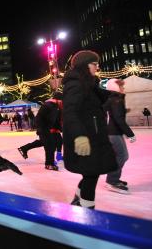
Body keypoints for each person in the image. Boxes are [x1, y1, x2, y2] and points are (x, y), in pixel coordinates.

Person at [62, 50, 117, 209]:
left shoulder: (88, 83)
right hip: (86, 137)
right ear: (84, 65)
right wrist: (80, 136)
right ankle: (87, 211)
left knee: (91, 173)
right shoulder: (76, 84)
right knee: (92, 173)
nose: (97, 66)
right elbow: (70, 112)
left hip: (94, 136)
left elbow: (95, 101)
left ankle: (78, 201)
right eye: (94, 63)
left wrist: (113, 93)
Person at [103, 79, 136, 194]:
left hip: (113, 132)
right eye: (121, 86)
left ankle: (113, 179)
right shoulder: (116, 99)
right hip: (113, 133)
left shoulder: (113, 99)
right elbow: (118, 119)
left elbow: (112, 114)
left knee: (121, 156)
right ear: (115, 87)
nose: (123, 88)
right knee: (122, 156)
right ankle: (112, 181)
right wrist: (130, 134)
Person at [17, 92, 63, 169]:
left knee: (47, 143)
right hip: (44, 128)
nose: (63, 102)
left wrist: (59, 129)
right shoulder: (48, 105)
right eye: (62, 100)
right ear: (57, 100)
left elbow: (56, 120)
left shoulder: (56, 107)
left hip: (49, 129)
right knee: (50, 145)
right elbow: (38, 118)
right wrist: (41, 129)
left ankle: (24, 148)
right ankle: (49, 164)